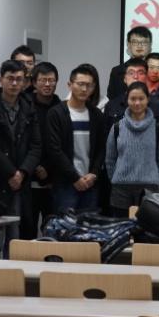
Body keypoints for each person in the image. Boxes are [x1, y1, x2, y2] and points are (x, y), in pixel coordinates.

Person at [0, 60, 41, 238]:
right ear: (1, 79)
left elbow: (36, 145)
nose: (14, 83)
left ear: (24, 82)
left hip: (19, 182)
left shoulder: (29, 106)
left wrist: (22, 172)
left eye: (19, 79)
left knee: (15, 233)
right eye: (10, 78)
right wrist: (11, 173)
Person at [45, 64, 105, 213]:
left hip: (90, 183)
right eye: (80, 84)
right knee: (65, 225)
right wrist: (75, 178)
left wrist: (94, 173)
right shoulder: (56, 113)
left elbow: (102, 148)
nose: (84, 89)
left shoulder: (96, 114)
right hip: (65, 184)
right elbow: (54, 150)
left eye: (89, 85)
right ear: (70, 85)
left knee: (89, 225)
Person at [104, 82, 159, 217]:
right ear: (127, 100)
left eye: (141, 98)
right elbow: (110, 159)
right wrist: (115, 178)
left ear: (148, 99)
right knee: (121, 227)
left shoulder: (158, 127)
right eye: (133, 99)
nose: (137, 103)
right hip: (121, 190)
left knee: (147, 229)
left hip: (150, 189)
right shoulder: (117, 127)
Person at [25, 62, 61, 237]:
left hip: (54, 180)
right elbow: (22, 141)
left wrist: (47, 167)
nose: (47, 84)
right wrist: (34, 165)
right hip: (27, 180)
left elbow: (62, 144)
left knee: (53, 232)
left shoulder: (62, 109)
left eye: (51, 80)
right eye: (43, 80)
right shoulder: (24, 106)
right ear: (34, 82)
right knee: (27, 230)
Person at [107, 26, 151, 103]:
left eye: (144, 42)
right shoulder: (117, 71)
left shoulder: (155, 71)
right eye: (135, 42)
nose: (139, 46)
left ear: (150, 45)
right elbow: (112, 100)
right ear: (128, 44)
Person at [102, 57, 147, 132]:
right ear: (125, 79)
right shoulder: (112, 106)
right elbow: (106, 135)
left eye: (140, 73)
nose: (136, 77)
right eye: (131, 73)